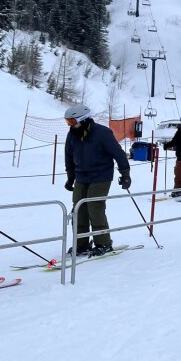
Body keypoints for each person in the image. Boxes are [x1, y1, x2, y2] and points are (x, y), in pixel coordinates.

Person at [64, 104, 131, 257]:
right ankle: (81, 244)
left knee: (94, 207)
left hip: (101, 176)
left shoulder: (102, 133)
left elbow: (118, 153)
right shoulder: (72, 135)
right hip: (81, 176)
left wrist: (125, 174)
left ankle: (104, 243)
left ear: (83, 119)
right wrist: (70, 177)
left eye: (72, 122)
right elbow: (69, 156)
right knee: (78, 210)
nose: (70, 126)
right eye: (68, 122)